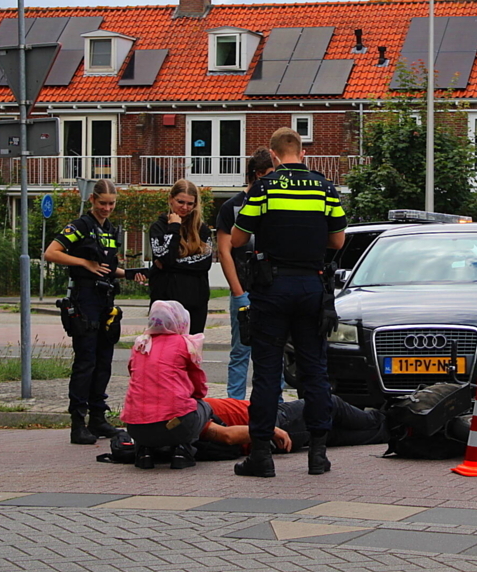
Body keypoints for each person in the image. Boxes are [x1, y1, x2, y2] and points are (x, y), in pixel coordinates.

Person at [229, 127, 347, 477]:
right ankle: (319, 455)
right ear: (303, 153)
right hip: (312, 286)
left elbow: (237, 238)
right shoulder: (325, 187)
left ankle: (261, 456)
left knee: (267, 372)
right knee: (315, 371)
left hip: (272, 287)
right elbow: (338, 241)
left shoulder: (264, 187)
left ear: (274, 154)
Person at [44, 179, 128, 445]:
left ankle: (99, 419)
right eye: (102, 203)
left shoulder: (111, 229)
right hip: (85, 299)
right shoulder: (80, 226)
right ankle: (78, 423)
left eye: (111, 204)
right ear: (92, 200)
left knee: (104, 360)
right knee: (86, 362)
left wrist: (131, 275)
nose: (107, 208)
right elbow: (51, 253)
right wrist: (84, 262)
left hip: (105, 299)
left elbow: (106, 266)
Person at [121, 300, 211, 470]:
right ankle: (182, 450)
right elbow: (199, 387)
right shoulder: (184, 344)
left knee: (143, 407)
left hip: (135, 427)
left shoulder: (140, 344)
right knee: (202, 407)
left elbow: (134, 374)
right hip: (175, 425)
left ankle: (144, 453)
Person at [215, 148, 276, 399]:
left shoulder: (275, 204)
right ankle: (236, 405)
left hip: (272, 289)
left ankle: (276, 404)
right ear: (259, 174)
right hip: (244, 289)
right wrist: (238, 293)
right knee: (240, 350)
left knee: (274, 351)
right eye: (272, 175)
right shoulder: (232, 207)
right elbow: (225, 252)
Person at [201, 396, 387, 453]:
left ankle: (397, 431)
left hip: (268, 423)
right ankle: (389, 417)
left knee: (329, 433)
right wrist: (269, 430)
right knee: (328, 403)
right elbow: (227, 435)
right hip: (274, 422)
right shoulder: (185, 411)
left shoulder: (179, 404)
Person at [148, 179, 213, 334]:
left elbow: (204, 264)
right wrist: (174, 228)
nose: (185, 207)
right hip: (165, 302)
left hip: (195, 303)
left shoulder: (202, 230)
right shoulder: (159, 228)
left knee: (190, 351)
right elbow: (166, 258)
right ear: (171, 199)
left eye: (190, 203)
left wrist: (172, 265)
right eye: (180, 202)